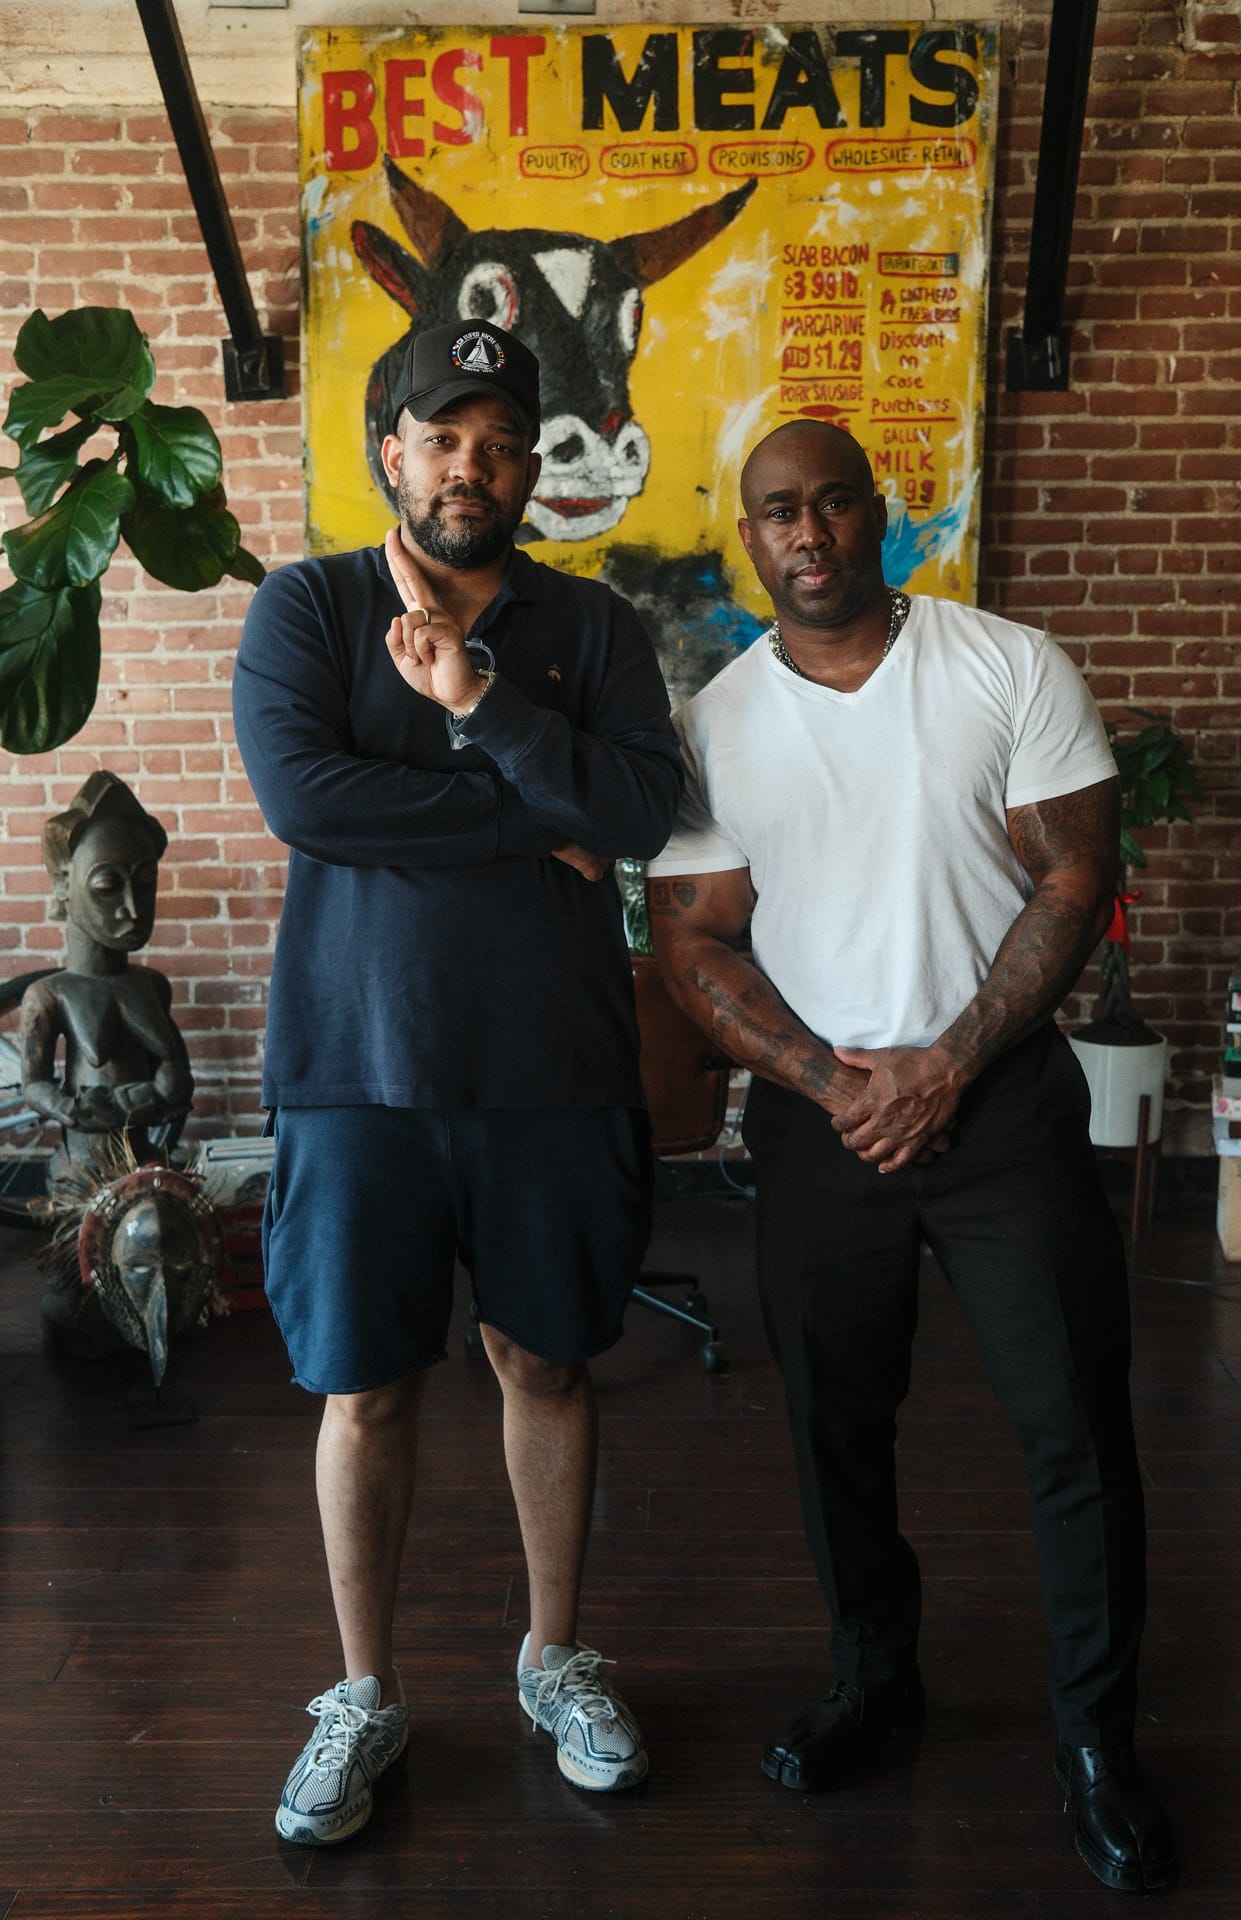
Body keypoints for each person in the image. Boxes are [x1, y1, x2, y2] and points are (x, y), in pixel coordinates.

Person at [646, 420, 1177, 1894]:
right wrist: (833, 1078)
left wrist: (949, 1062)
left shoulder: (1006, 664)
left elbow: (1080, 871)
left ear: (877, 514)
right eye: (775, 514)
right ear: (745, 538)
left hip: (999, 1106)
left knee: (1074, 1432)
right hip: (826, 1128)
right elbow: (689, 933)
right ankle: (877, 1682)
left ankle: (1097, 1740)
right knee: (836, 1434)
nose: (806, 533)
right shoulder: (720, 723)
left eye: (830, 504)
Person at [232, 319, 682, 1845]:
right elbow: (308, 799)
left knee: (546, 1364)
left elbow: (633, 808)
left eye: (501, 442)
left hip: (550, 1065)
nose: (472, 467)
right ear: (391, 452)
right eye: (444, 437)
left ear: (531, 465)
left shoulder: (592, 626)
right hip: (355, 1070)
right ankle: (363, 1693)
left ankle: (555, 1657)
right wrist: (516, 810)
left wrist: (484, 704)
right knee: (364, 1388)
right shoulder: (310, 608)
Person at [20, 770, 193, 1174]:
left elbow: (177, 1072)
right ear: (64, 885)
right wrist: (69, 1107)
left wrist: (163, 1090)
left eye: (146, 882)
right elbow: (35, 1085)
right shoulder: (48, 996)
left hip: (145, 1159)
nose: (133, 908)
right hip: (84, 1169)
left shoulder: (152, 985)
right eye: (107, 885)